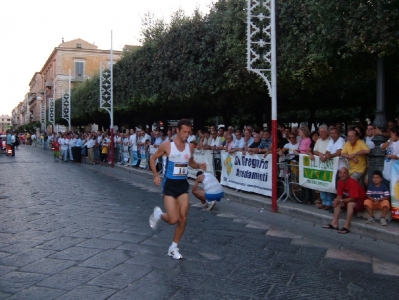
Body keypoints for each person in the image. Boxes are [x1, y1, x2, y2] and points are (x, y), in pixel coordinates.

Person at [149, 119, 206, 260]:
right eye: (184, 132)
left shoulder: (190, 147)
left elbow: (190, 162)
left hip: (182, 185)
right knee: (173, 218)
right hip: (169, 185)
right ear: (178, 131)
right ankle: (159, 214)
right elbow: (152, 158)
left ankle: (173, 248)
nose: (187, 135)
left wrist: (198, 166)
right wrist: (156, 175)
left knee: (183, 217)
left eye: (189, 132)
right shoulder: (167, 145)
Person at [322, 167, 366, 234]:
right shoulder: (340, 182)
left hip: (360, 201)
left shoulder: (352, 183)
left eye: (344, 173)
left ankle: (346, 226)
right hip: (349, 199)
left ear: (348, 174)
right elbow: (339, 196)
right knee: (337, 202)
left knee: (349, 204)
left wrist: (341, 200)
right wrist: (337, 200)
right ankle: (334, 223)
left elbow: (353, 198)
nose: (342, 175)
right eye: (340, 173)